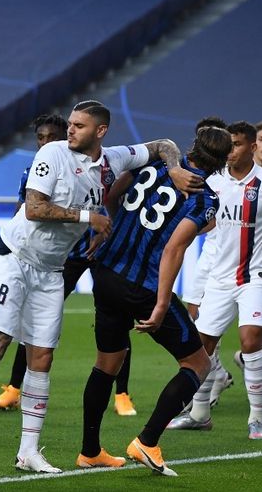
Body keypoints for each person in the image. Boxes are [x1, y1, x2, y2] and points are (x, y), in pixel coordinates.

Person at [0, 100, 203, 474]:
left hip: (50, 269)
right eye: (71, 123)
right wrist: (89, 218)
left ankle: (28, 452)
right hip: (13, 258)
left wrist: (175, 169)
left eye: (80, 125)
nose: (70, 129)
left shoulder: (113, 158)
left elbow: (161, 144)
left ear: (101, 131)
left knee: (43, 357)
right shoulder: (53, 153)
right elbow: (34, 207)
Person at [76, 125, 230, 476]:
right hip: (142, 285)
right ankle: (147, 442)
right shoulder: (204, 197)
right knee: (198, 365)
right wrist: (161, 305)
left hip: (106, 272)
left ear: (194, 145)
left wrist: (108, 228)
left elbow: (112, 194)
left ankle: (89, 451)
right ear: (221, 161)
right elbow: (175, 249)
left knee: (106, 364)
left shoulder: (155, 165)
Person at [0, 114, 138, 417]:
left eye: (53, 137)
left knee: (114, 316)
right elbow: (27, 209)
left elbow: (110, 194)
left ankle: (122, 393)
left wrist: (108, 226)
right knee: (34, 324)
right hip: (61, 257)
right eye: (41, 138)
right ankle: (14, 388)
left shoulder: (98, 166)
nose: (47, 143)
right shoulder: (35, 170)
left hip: (99, 250)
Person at [168, 121, 262, 439]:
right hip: (219, 279)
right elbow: (206, 224)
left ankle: (257, 417)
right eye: (229, 145)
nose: (230, 151)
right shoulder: (215, 182)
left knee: (250, 339)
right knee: (202, 346)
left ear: (252, 147)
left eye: (236, 145)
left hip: (255, 277)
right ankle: (200, 414)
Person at [181, 116, 235, 410]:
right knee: (198, 331)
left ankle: (202, 393)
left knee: (205, 334)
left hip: (232, 267)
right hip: (208, 264)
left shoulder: (237, 179)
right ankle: (217, 376)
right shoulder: (206, 178)